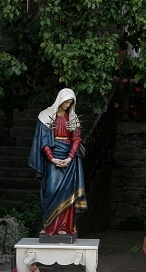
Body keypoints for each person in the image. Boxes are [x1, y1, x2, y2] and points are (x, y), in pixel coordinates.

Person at [28, 88, 87, 236]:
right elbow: (43, 139)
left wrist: (69, 157)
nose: (68, 105)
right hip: (52, 160)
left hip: (69, 160)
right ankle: (49, 226)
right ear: (60, 100)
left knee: (67, 192)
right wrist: (51, 158)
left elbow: (76, 139)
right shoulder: (46, 116)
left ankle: (64, 227)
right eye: (66, 101)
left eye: (70, 102)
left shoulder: (73, 119)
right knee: (51, 190)